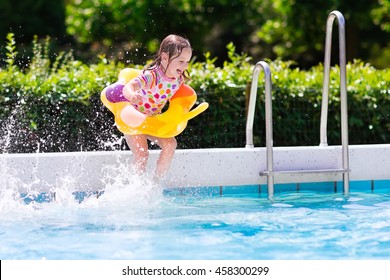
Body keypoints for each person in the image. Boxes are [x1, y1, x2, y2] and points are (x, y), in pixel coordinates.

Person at [121, 34, 192, 180]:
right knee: (142, 154)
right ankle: (133, 187)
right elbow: (129, 86)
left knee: (171, 145)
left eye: (187, 62)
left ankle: (155, 184)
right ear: (165, 57)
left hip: (152, 121)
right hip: (134, 120)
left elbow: (177, 100)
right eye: (180, 61)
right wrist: (132, 95)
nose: (184, 66)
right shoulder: (152, 76)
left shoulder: (177, 80)